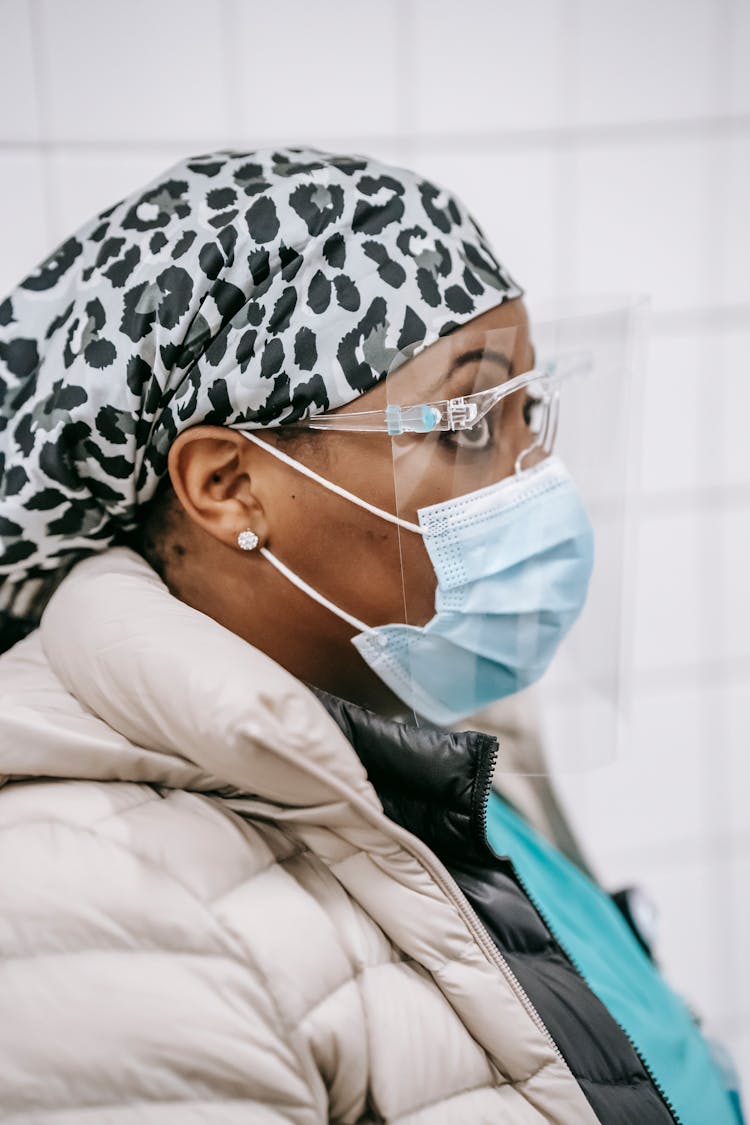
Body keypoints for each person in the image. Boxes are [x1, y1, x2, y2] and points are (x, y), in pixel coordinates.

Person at [0, 148, 743, 1124]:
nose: (536, 482)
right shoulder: (90, 911)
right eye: (472, 425)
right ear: (229, 485)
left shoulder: (430, 720)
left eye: (534, 414)